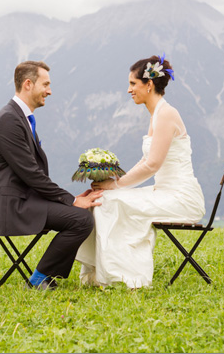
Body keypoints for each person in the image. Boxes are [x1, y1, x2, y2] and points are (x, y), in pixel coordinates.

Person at [75, 54, 205, 289]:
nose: (129, 90)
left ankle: (124, 276)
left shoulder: (166, 113)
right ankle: (100, 271)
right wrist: (115, 180)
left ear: (149, 84)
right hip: (163, 191)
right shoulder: (157, 114)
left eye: (133, 84)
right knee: (105, 198)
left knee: (111, 201)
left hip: (181, 198)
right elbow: (146, 159)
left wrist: (116, 185)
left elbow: (152, 165)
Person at [0, 61, 103, 290]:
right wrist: (71, 200)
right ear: (27, 84)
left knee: (79, 215)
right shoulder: (8, 120)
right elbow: (31, 174)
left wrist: (67, 199)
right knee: (81, 219)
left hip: (24, 198)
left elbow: (30, 174)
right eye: (46, 84)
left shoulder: (18, 118)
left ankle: (45, 277)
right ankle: (39, 280)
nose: (49, 91)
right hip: (11, 206)